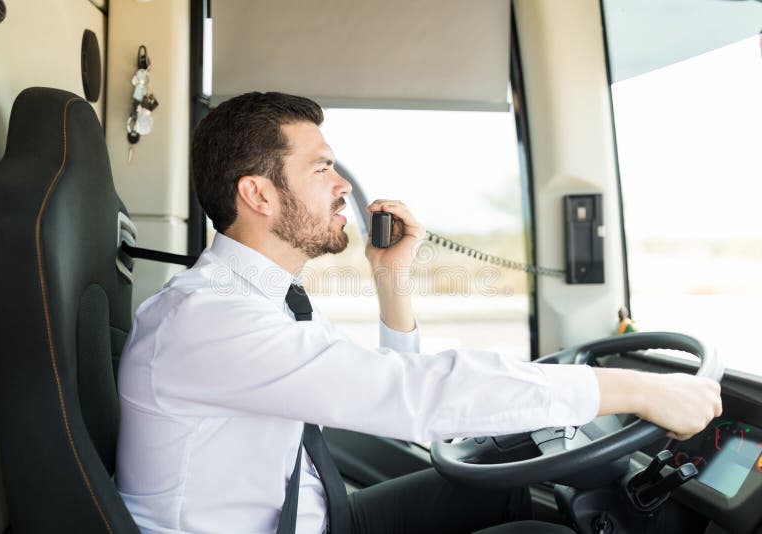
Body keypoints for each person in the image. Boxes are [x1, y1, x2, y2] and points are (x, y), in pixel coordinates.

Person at [115, 92, 722, 534]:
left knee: (511, 493)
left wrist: (390, 275)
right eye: (321, 167)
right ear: (258, 194)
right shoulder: (209, 321)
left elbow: (382, 394)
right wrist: (634, 389)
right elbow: (414, 398)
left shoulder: (264, 301)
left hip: (320, 516)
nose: (342, 185)